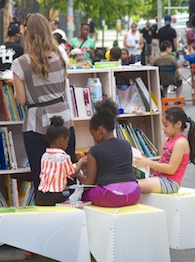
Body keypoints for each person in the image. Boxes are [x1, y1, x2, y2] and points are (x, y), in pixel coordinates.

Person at [12, 13, 76, 192]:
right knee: (67, 175)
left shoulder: (20, 64)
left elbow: (21, 99)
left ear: (28, 34)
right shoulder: (60, 58)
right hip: (63, 120)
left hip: (36, 123)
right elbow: (62, 90)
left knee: (42, 180)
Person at [74, 99, 140, 207]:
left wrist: (79, 172)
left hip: (111, 196)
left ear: (100, 130)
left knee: (85, 194)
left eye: (92, 134)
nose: (94, 139)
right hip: (134, 193)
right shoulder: (126, 145)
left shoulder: (94, 151)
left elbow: (89, 183)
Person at [133, 107, 195, 194]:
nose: (163, 128)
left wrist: (149, 163)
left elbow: (171, 169)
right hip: (160, 178)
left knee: (133, 186)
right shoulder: (168, 140)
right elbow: (162, 163)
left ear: (178, 124)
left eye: (166, 125)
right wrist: (144, 161)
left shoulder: (180, 142)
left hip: (170, 182)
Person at [36, 116, 75, 206]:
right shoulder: (64, 157)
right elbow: (71, 173)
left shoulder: (44, 156)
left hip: (41, 194)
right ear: (62, 140)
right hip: (55, 195)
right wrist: (80, 164)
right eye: (67, 142)